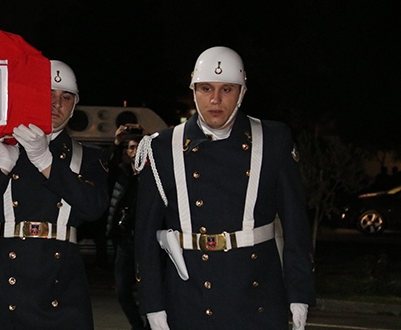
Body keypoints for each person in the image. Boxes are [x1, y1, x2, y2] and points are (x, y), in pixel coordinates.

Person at [134, 46, 316, 329]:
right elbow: (145, 238)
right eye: (206, 88)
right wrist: (153, 306)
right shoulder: (160, 147)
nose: (215, 99)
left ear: (242, 93)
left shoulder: (274, 139)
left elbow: (295, 225)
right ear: (194, 90)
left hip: (257, 298)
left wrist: (300, 294)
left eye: (227, 90)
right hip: (189, 298)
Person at [0, 60, 109, 329]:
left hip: (60, 288)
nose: (56, 104)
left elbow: (93, 208)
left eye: (66, 97)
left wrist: (45, 160)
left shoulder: (89, 157)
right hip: (1, 285)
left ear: (74, 105)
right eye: (48, 94)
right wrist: (1, 167)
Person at [106, 125, 147, 330]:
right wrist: (116, 142)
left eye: (138, 147)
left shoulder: (152, 176)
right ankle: (137, 325)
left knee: (147, 290)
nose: (134, 151)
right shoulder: (121, 173)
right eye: (131, 147)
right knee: (122, 290)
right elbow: (108, 167)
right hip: (124, 241)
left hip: (146, 242)